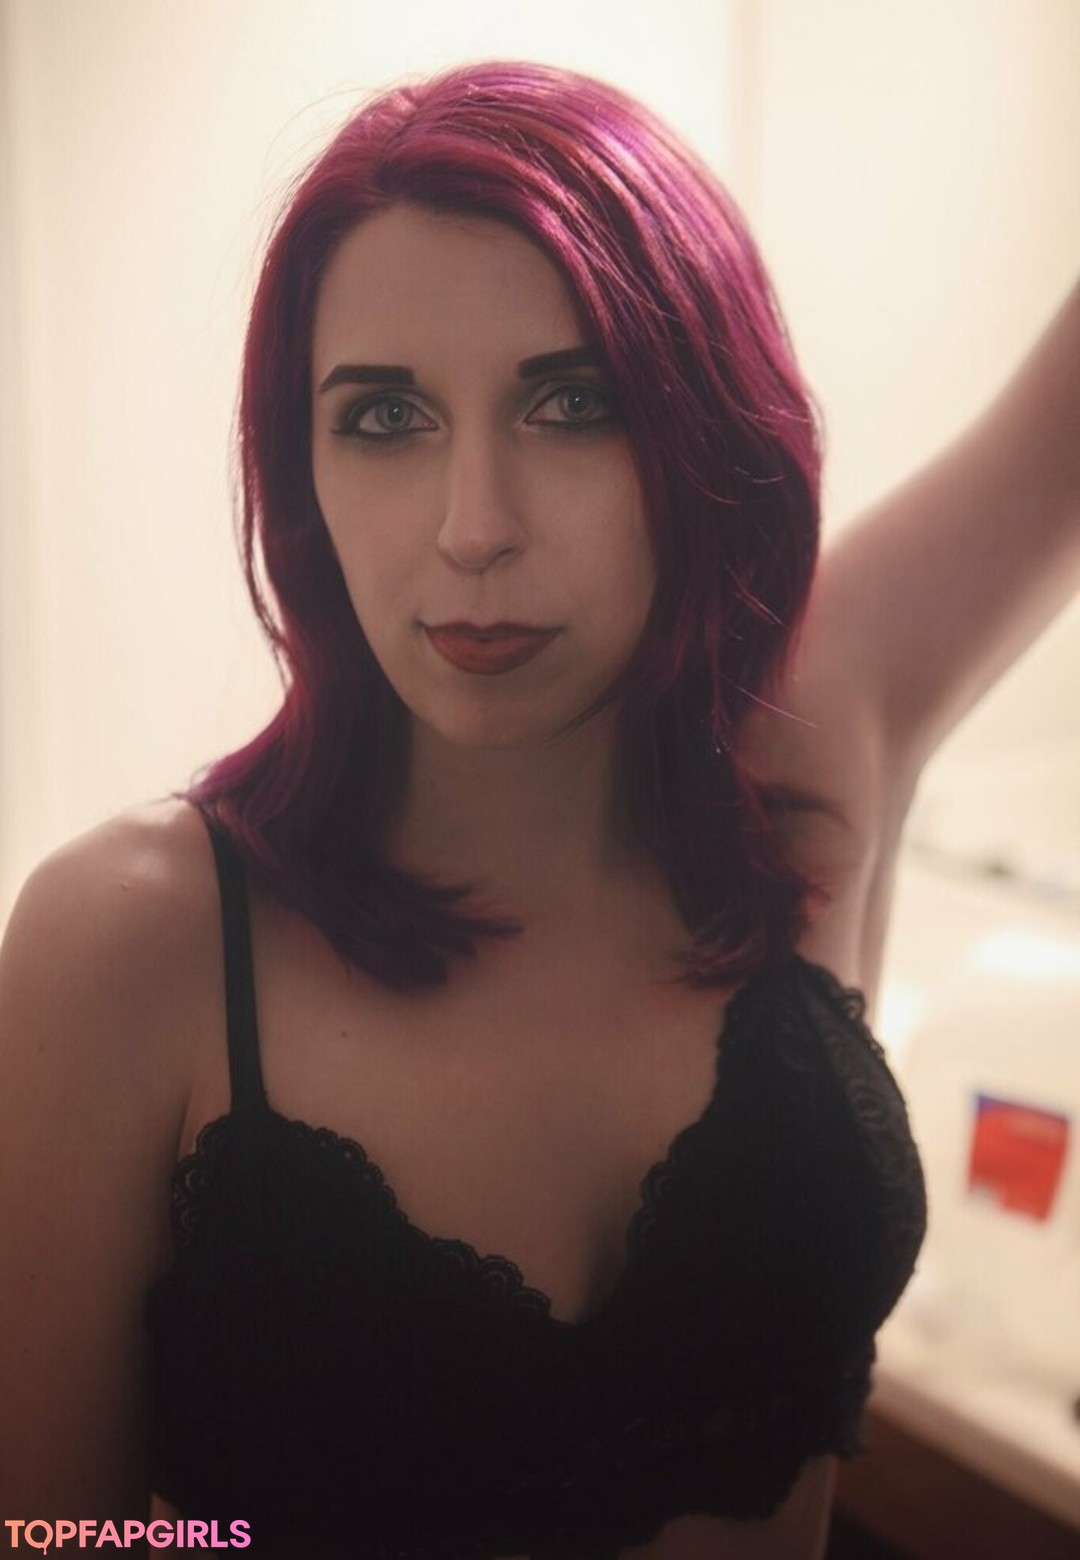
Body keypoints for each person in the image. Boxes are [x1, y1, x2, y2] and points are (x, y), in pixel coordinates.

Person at [0, 57, 1076, 1560]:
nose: (475, 529)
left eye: (574, 404)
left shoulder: (797, 771)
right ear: (301, 471)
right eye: (385, 417)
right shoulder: (135, 942)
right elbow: (58, 1538)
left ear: (707, 435)